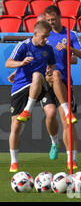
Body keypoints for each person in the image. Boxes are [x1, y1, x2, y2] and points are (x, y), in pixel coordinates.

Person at [42, 5, 81, 169]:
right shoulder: (44, 35)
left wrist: (69, 49)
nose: (51, 23)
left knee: (67, 123)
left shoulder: (71, 34)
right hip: (47, 81)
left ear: (60, 17)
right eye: (48, 20)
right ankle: (54, 142)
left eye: (53, 19)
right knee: (50, 115)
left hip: (64, 82)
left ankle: (72, 158)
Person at [6, 20, 56, 172]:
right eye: (43, 36)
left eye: (47, 36)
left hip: (39, 82)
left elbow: (52, 64)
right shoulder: (23, 45)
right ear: (35, 34)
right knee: (15, 126)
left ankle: (54, 142)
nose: (45, 39)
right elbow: (8, 63)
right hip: (20, 87)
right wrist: (20, 64)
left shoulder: (48, 48)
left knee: (52, 112)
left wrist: (49, 70)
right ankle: (14, 162)